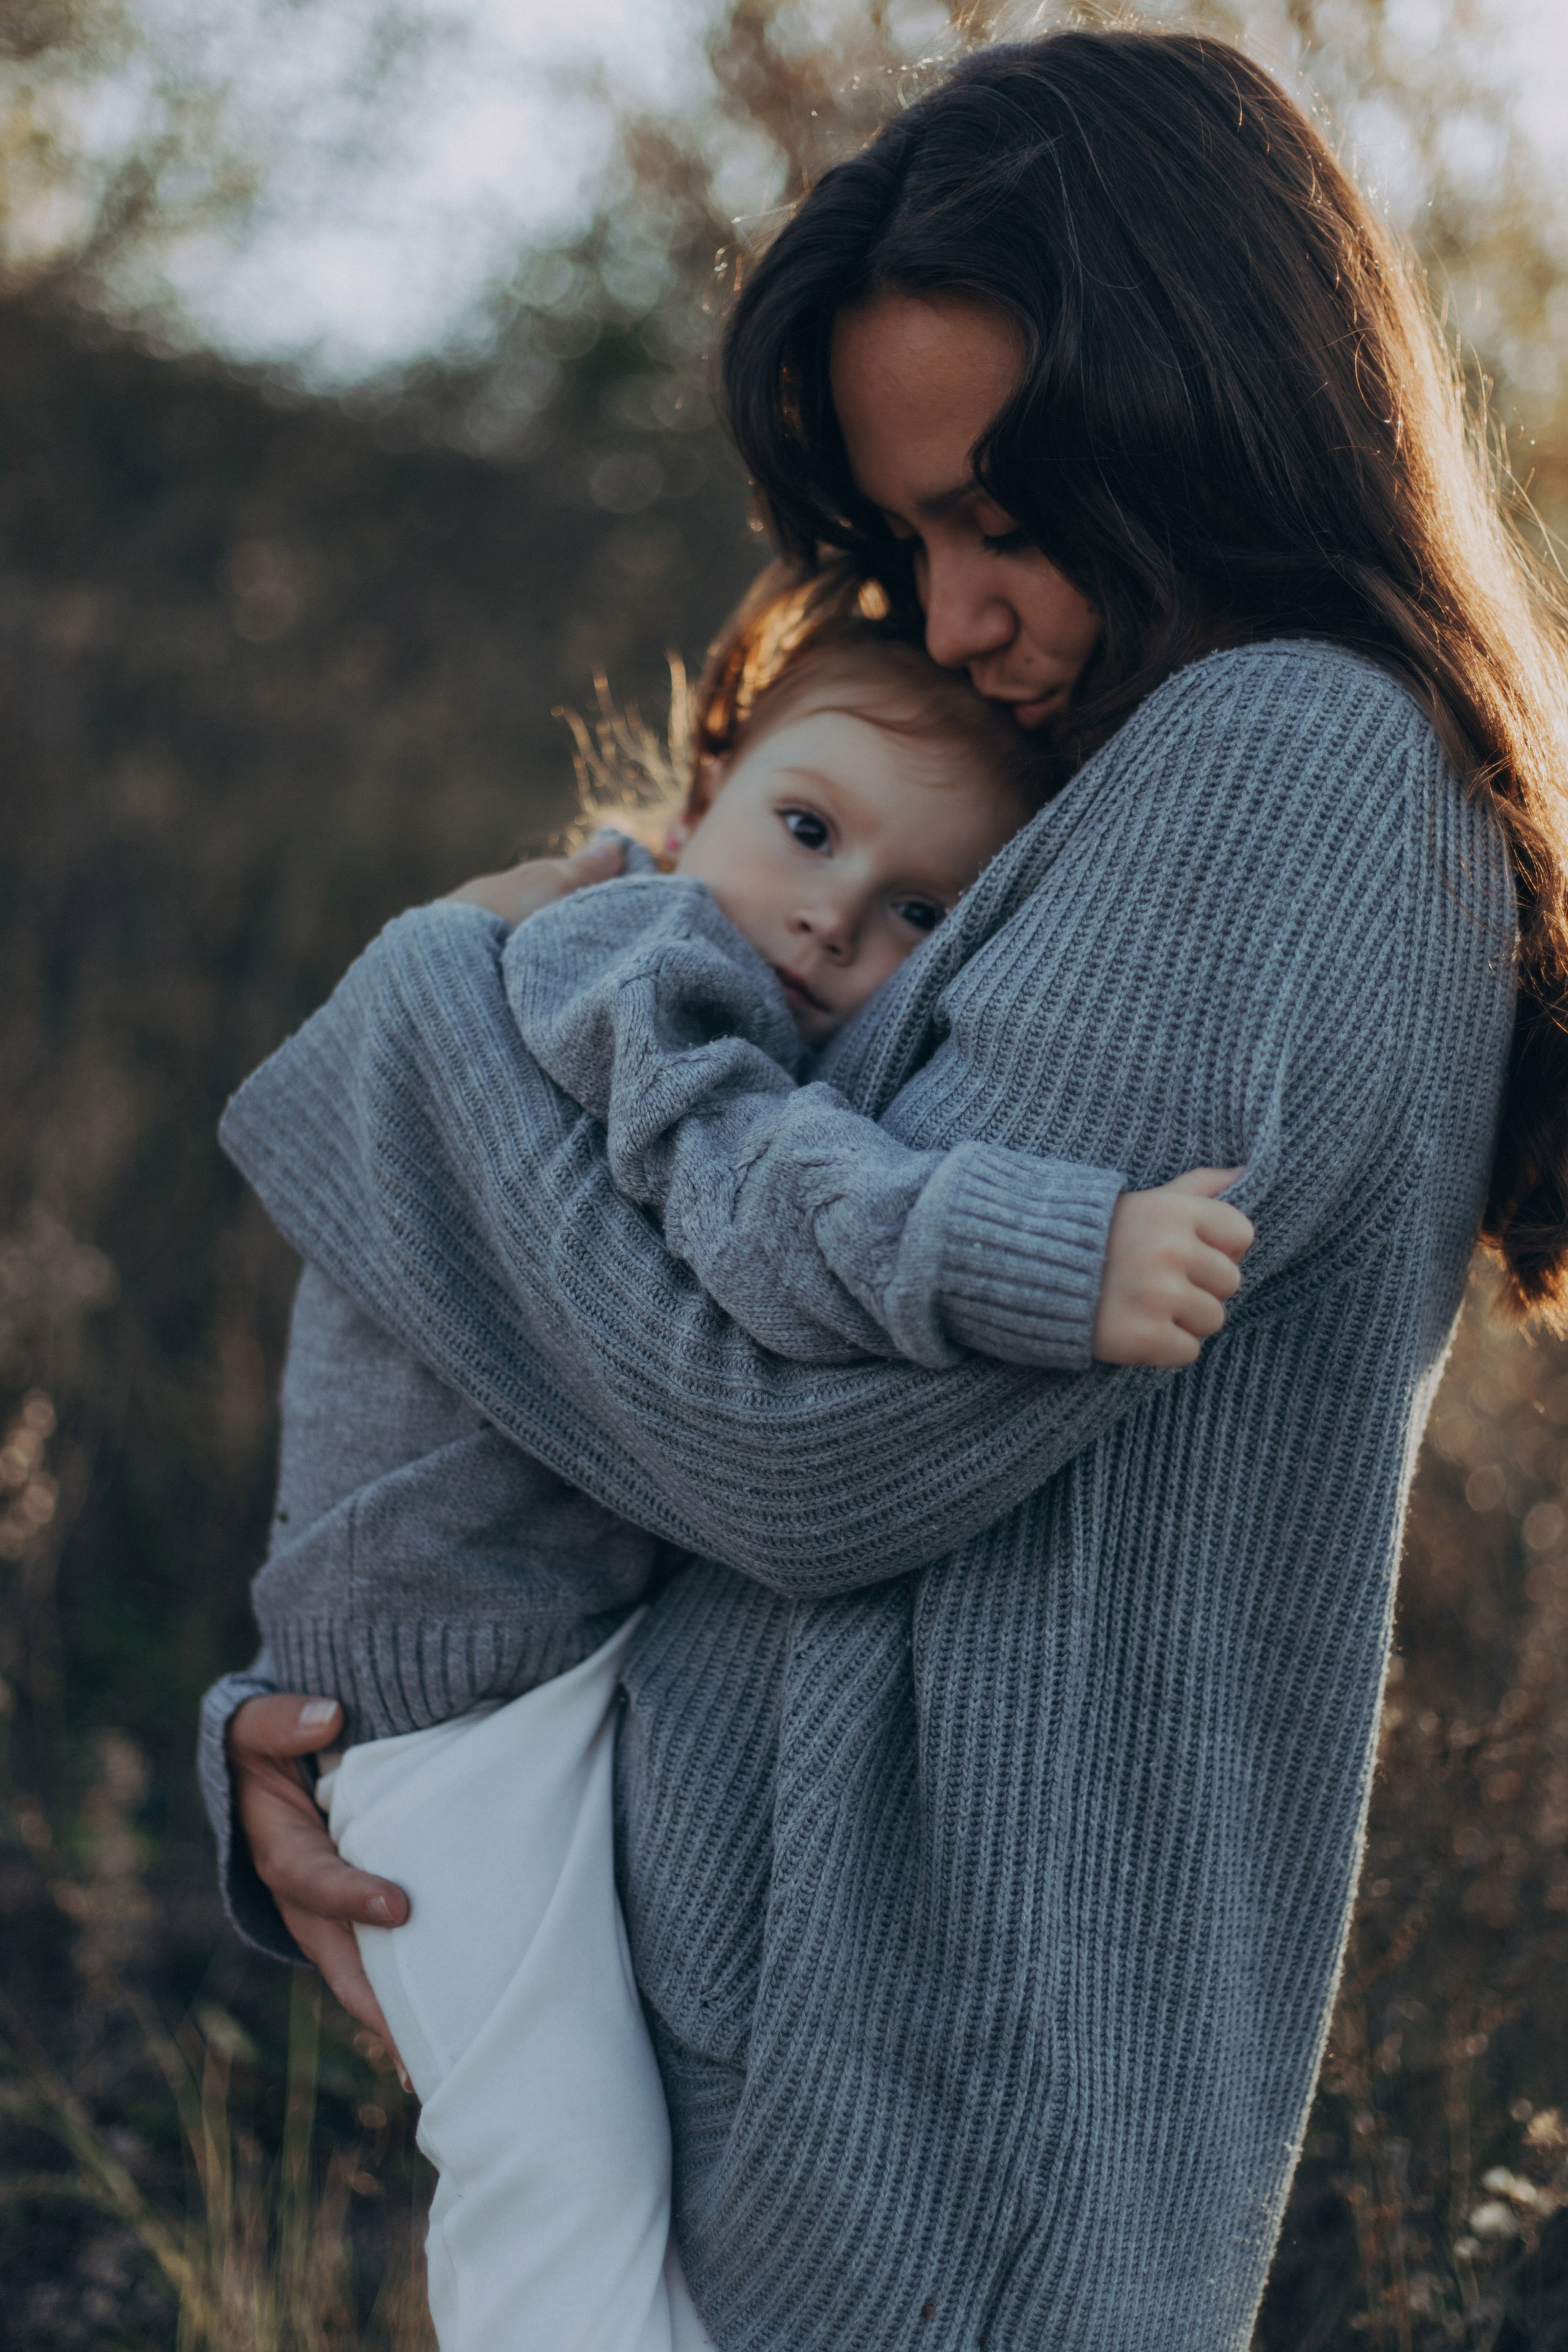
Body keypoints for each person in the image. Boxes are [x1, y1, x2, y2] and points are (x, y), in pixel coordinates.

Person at [201, 28, 1568, 2350]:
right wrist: (381, 1675)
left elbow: (803, 1442)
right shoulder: (1101, 798)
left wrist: (431, 1007)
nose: (948, 622)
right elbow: (693, 1323)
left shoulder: (1287, 763)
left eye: (1005, 522)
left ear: (1207, 432)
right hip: (812, 2107)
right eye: (907, 537)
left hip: (938, 2164)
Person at [225, 557, 1253, 2352]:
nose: (833, 921)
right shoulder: (637, 956)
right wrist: (1052, 1252)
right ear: (696, 803)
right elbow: (757, 1197)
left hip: (537, 1662)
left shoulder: (691, 960)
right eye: (804, 827)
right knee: (550, 2174)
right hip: (451, 1708)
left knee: (619, 2178)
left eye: (924, 913)